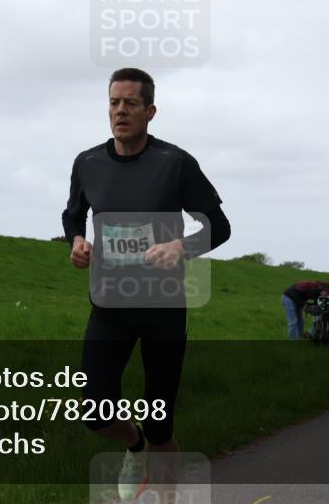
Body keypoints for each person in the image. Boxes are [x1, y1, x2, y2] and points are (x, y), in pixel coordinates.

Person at [62, 67, 230, 500]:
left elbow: (219, 225)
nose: (120, 111)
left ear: (150, 111)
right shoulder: (88, 163)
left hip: (163, 308)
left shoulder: (174, 163)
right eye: (114, 103)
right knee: (95, 412)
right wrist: (77, 241)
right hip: (109, 307)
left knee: (161, 424)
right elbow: (73, 213)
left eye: (130, 103)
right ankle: (132, 447)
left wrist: (181, 247)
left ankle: (166, 494)